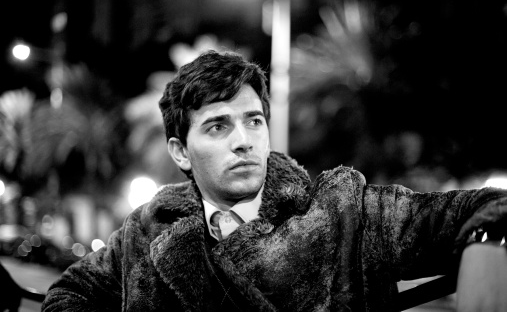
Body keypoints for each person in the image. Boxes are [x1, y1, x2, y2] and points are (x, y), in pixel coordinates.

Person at [42, 50, 507, 311]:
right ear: (180, 152)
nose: (243, 141)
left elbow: (487, 206)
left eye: (254, 120)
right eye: (218, 126)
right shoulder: (146, 232)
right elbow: (67, 295)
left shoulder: (344, 211)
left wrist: (490, 242)